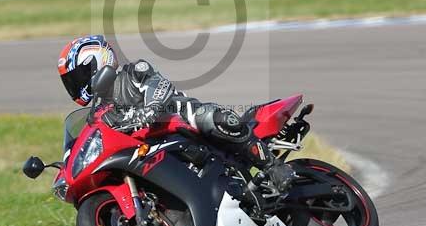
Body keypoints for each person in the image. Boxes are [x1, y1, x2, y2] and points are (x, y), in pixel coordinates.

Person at [58, 35, 276, 171]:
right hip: (147, 152)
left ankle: (273, 167)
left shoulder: (134, 72)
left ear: (97, 61)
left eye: (78, 76)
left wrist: (150, 109)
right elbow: (90, 141)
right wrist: (67, 164)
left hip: (179, 121)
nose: (76, 84)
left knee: (212, 118)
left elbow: (159, 85)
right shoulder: (97, 115)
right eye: (71, 81)